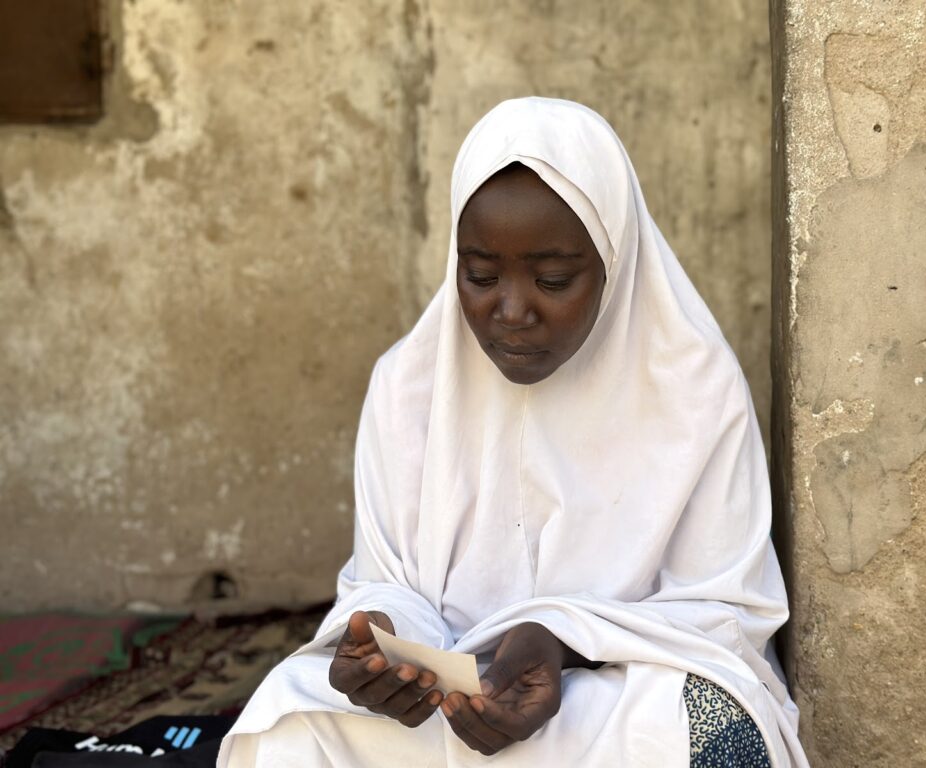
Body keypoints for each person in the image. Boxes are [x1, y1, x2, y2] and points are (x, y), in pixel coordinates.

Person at [217, 97, 809, 767]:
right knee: (288, 719)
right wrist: (383, 644)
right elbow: (386, 583)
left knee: (707, 728)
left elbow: (725, 616)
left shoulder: (694, 390)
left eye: (553, 279)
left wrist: (559, 640)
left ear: (614, 260)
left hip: (604, 708)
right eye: (480, 275)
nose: (511, 310)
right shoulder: (407, 388)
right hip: (442, 715)